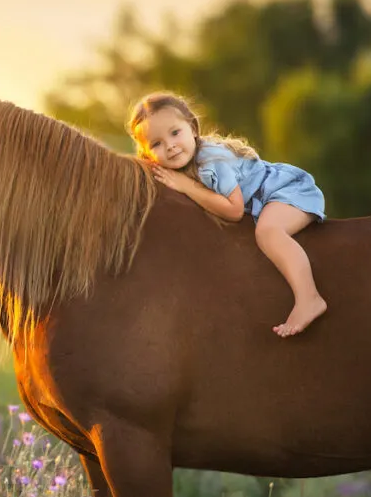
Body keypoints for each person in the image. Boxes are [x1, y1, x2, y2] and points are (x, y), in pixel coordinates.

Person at [126, 91, 327, 337]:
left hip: (285, 191)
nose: (170, 146)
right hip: (265, 200)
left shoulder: (211, 162)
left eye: (175, 133)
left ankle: (309, 298)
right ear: (147, 154)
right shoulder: (176, 170)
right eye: (156, 143)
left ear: (193, 128)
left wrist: (187, 186)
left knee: (269, 232)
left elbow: (233, 210)